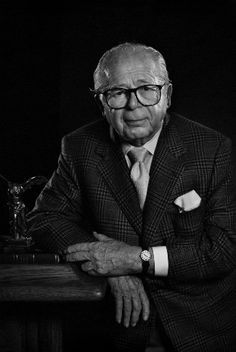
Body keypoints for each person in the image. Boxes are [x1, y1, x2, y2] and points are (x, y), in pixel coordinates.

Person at [27, 42, 236, 352]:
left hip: (199, 329)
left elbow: (225, 249)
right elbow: (45, 218)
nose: (133, 106)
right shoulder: (79, 147)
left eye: (146, 89)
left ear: (167, 94)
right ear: (101, 102)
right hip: (114, 331)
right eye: (117, 92)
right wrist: (106, 262)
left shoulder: (213, 149)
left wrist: (135, 260)